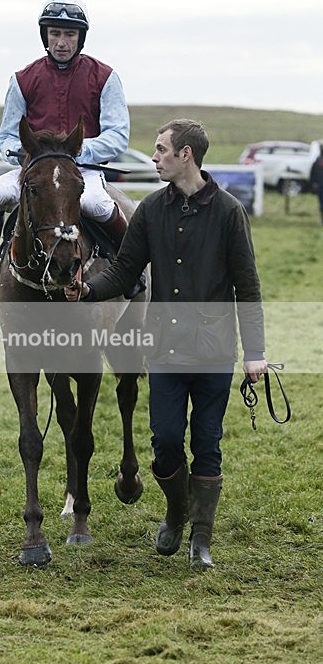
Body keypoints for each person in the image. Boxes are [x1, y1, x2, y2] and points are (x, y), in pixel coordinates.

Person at [64, 119, 267, 570]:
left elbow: (247, 285)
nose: (153, 157)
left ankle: (201, 539)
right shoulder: (151, 211)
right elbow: (124, 271)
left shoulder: (230, 212)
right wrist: (87, 290)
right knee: (166, 442)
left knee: (208, 443)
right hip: (164, 350)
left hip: (214, 350)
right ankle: (176, 512)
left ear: (185, 156)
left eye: (160, 150)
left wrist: (255, 352)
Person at [0, 0, 131, 295]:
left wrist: (73, 152)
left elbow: (118, 135)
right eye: (55, 33)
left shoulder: (106, 77)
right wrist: (35, 154)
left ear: (80, 38)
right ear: (45, 35)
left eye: (69, 34)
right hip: (36, 171)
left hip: (81, 170)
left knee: (98, 204)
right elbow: (6, 137)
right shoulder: (23, 79)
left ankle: (126, 266)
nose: (61, 42)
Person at [309, 143, 323, 225]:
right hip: (320, 185)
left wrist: (313, 184)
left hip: (320, 185)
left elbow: (312, 173)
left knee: (321, 203)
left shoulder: (318, 160)